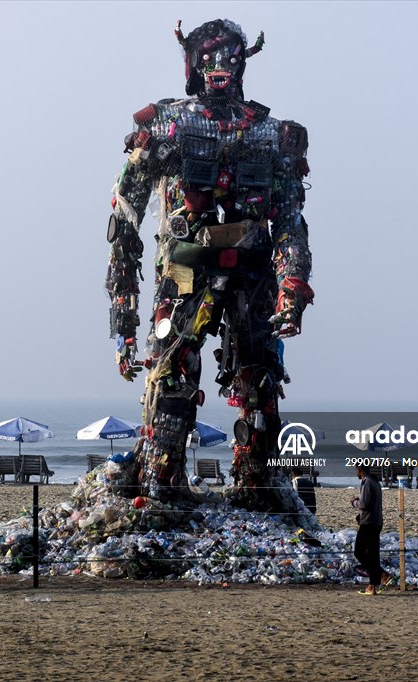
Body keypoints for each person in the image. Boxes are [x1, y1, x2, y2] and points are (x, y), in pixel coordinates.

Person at [104, 19, 314, 516]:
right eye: (208, 56)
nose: (219, 66)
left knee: (259, 381)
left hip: (254, 273)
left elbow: (288, 219)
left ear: (244, 61)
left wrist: (292, 282)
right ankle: (162, 477)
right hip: (185, 272)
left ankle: (257, 483)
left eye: (228, 56)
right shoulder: (166, 126)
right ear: (193, 61)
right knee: (174, 373)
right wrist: (124, 319)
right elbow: (124, 219)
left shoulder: (271, 134)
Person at [353, 465, 392, 595]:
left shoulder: (367, 482)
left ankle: (382, 575)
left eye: (356, 470)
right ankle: (373, 585)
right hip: (376, 521)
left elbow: (364, 504)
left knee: (359, 551)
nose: (356, 473)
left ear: (360, 470)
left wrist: (354, 502)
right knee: (373, 554)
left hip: (368, 523)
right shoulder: (375, 483)